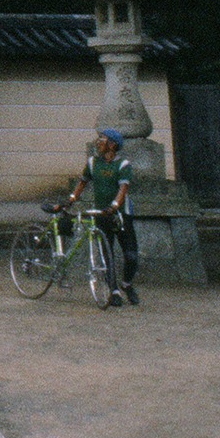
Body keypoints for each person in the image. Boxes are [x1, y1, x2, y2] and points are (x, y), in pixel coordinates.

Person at [54, 127, 140, 307]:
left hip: (121, 214)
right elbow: (82, 183)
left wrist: (114, 206)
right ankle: (114, 290)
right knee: (105, 253)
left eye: (102, 139)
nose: (98, 142)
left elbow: (122, 190)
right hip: (101, 214)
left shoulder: (123, 165)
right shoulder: (93, 163)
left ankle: (127, 284)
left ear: (112, 144)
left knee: (131, 256)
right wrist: (70, 200)